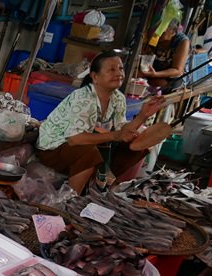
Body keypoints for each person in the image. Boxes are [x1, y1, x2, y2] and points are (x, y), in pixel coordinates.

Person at [36, 51, 165, 194]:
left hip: (81, 145)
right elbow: (75, 139)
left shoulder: (118, 98)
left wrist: (143, 115)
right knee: (89, 153)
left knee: (134, 148)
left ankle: (102, 188)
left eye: (120, 68)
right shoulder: (83, 98)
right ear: (95, 77)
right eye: (111, 69)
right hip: (53, 148)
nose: (118, 73)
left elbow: (123, 131)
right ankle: (69, 199)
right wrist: (115, 136)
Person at [141, 19, 190, 92]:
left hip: (171, 77)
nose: (157, 34)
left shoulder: (182, 41)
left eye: (161, 31)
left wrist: (155, 74)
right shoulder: (153, 36)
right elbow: (143, 54)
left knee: (159, 83)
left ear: (173, 31)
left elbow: (177, 70)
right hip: (152, 73)